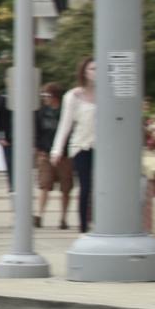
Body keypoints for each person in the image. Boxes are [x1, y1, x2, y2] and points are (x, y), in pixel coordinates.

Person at [49, 57, 98, 232]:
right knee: (86, 185)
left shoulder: (107, 94)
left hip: (101, 147)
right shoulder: (73, 96)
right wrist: (57, 149)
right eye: (93, 69)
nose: (96, 73)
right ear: (84, 72)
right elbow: (65, 124)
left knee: (101, 186)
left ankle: (99, 222)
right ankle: (83, 225)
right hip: (81, 146)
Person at [34, 82, 73, 228]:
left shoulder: (65, 112)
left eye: (47, 95)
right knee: (44, 184)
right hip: (45, 153)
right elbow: (37, 131)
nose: (44, 98)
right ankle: (39, 215)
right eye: (43, 95)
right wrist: (38, 148)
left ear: (55, 96)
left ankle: (63, 218)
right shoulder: (41, 112)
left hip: (65, 155)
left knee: (66, 188)